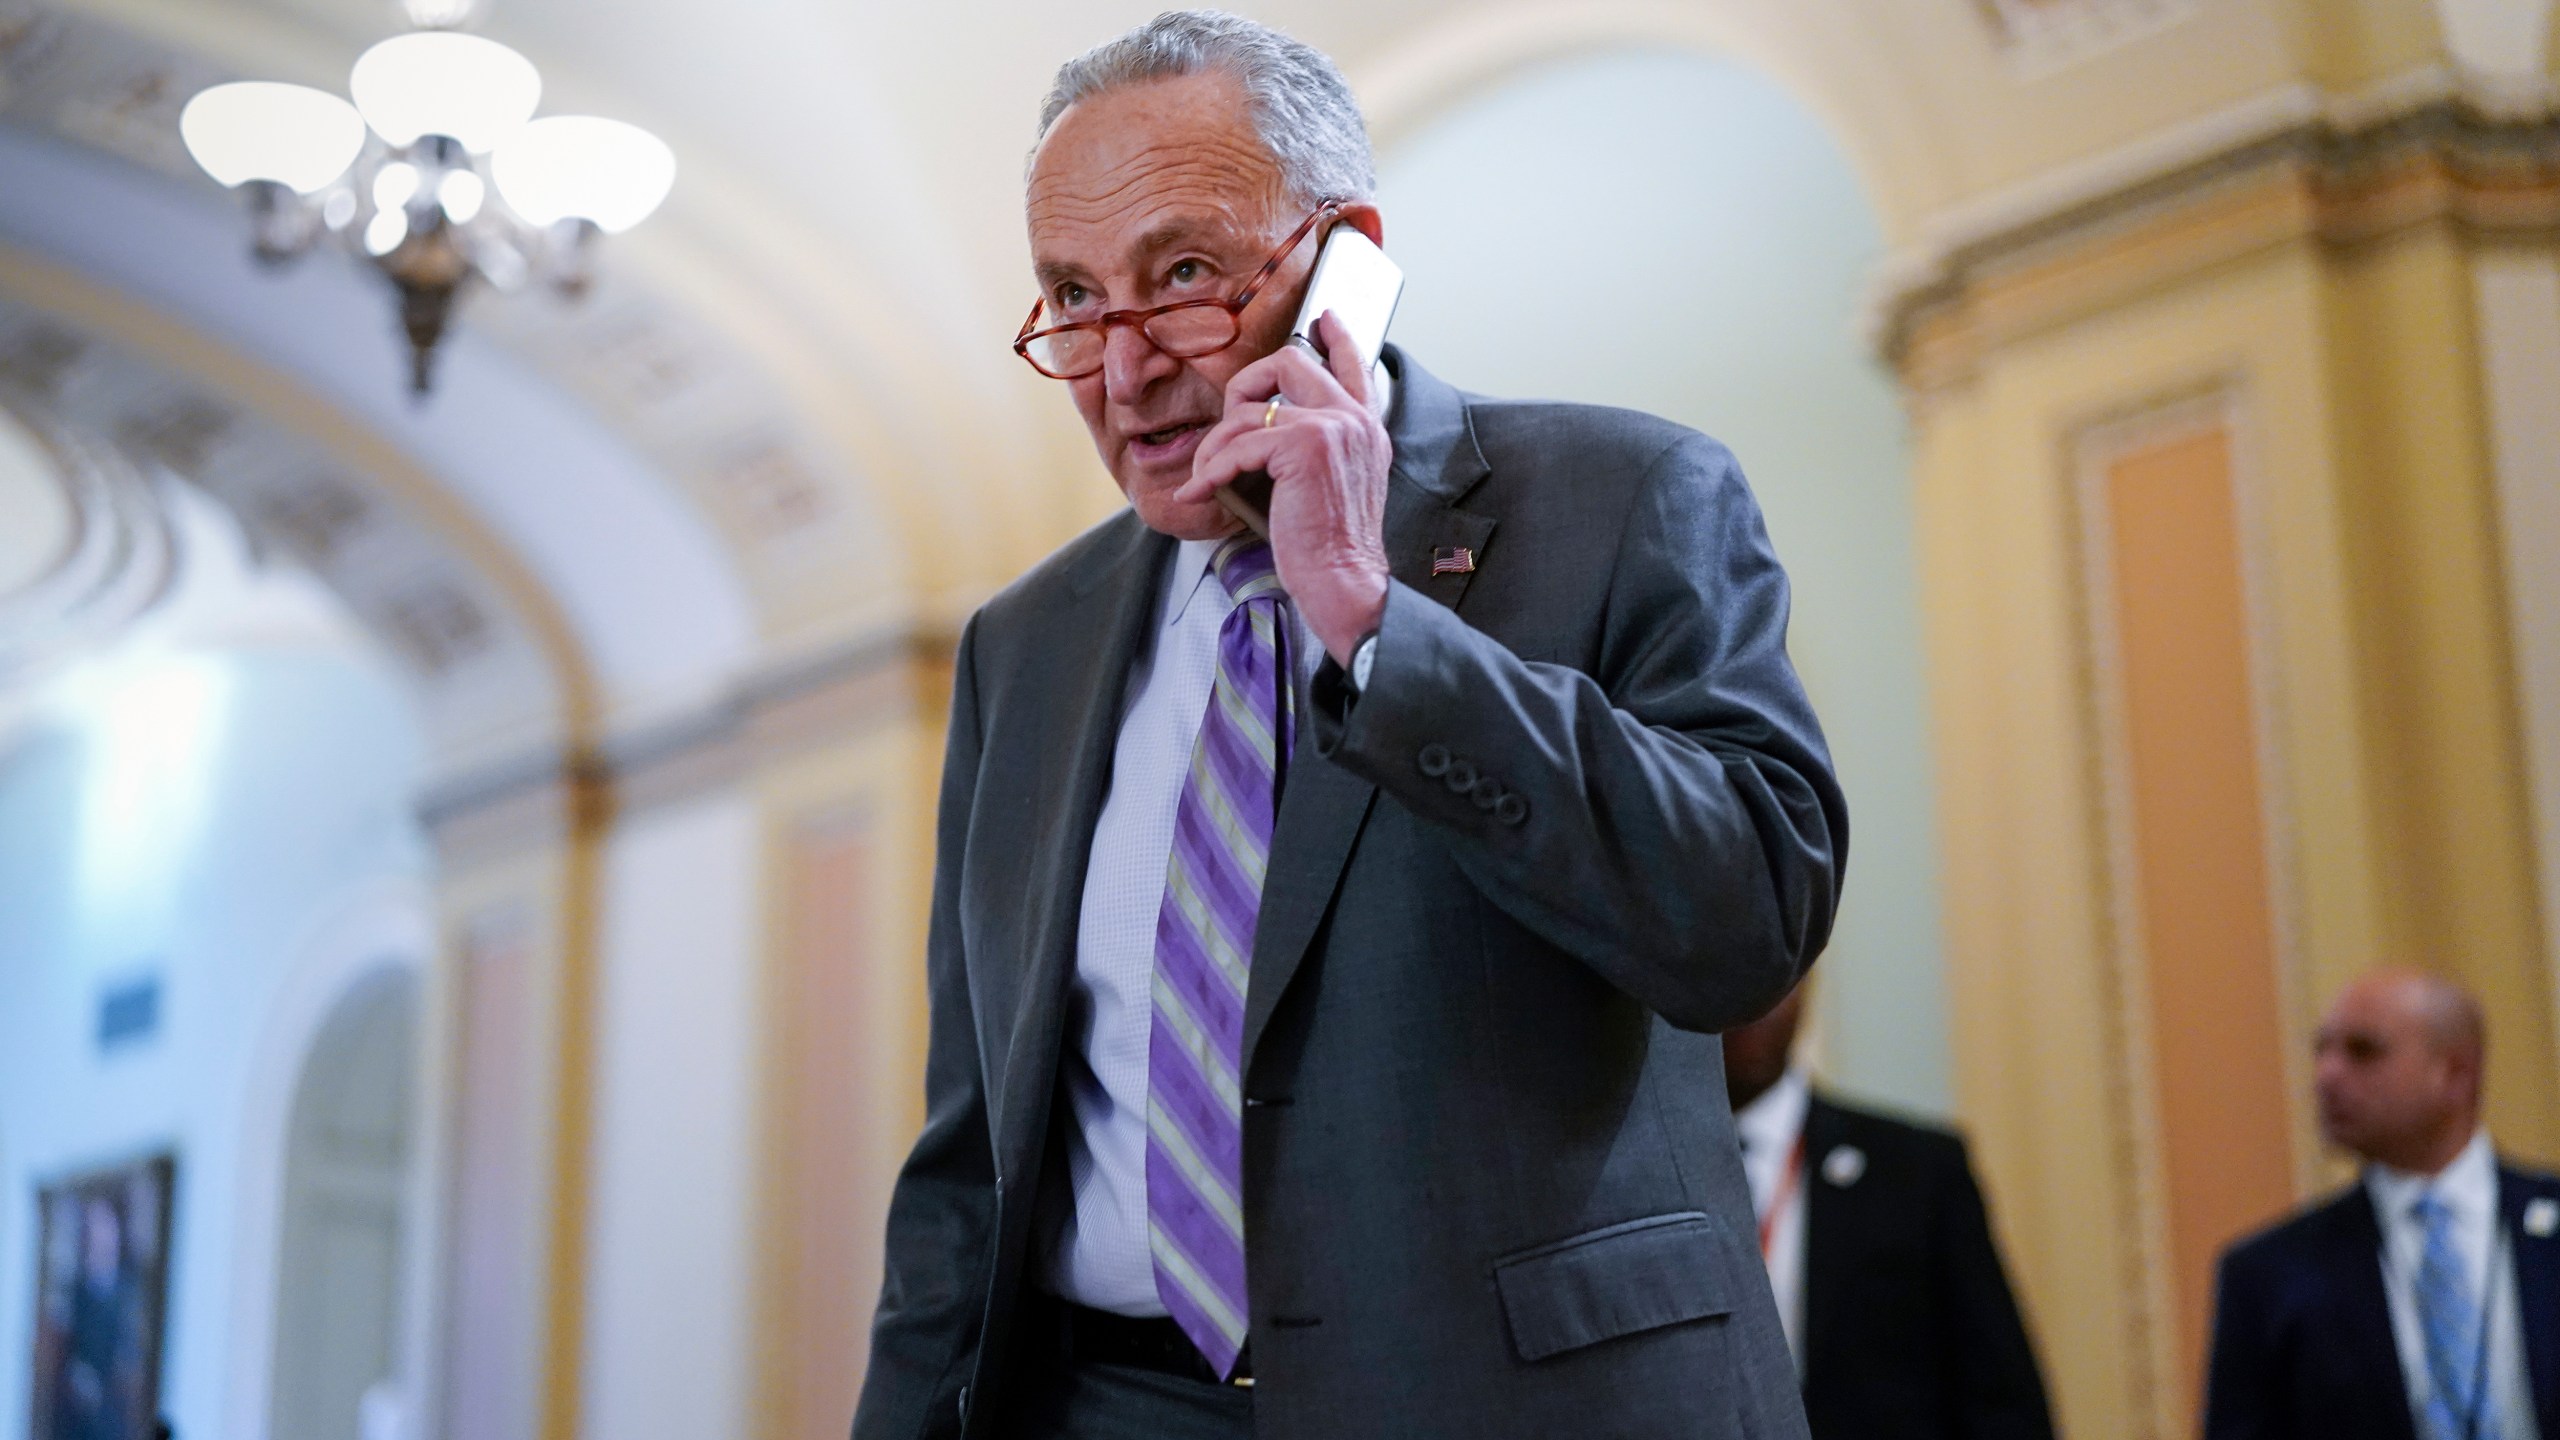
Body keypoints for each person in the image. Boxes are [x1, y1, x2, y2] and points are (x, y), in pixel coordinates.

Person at [852, 12, 1846, 1440]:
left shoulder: (1629, 500)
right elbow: (972, 1162)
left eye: (1182, 276)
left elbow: (1747, 917)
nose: (1121, 372)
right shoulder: (1026, 647)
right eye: (1073, 298)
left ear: (1344, 255)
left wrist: (1376, 622)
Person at [2204, 969, 2560, 1440]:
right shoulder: (2270, 1275)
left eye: (2363, 1051)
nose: (2327, 1076)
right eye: (2322, 1052)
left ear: (2456, 1073)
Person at [1720, 984, 2054, 1440]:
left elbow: (2002, 1403)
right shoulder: (1626, 1191)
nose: (1749, 1001)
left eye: (1771, 972)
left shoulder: (1917, 1172)